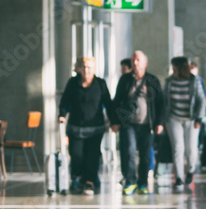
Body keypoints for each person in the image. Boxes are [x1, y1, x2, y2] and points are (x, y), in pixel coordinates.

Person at [58, 57, 115, 195]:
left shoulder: (100, 84)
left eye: (89, 67)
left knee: (92, 155)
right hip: (76, 126)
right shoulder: (73, 83)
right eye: (83, 67)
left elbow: (108, 103)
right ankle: (77, 177)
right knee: (76, 154)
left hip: (95, 127)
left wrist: (114, 121)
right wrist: (62, 114)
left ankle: (89, 181)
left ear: (94, 69)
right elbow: (65, 100)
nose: (86, 70)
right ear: (79, 68)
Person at [113, 50, 165, 195]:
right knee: (128, 151)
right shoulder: (125, 80)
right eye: (132, 60)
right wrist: (115, 121)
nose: (134, 63)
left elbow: (161, 103)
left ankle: (142, 183)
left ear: (145, 63)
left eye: (137, 60)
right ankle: (129, 182)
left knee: (146, 154)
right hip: (128, 124)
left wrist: (160, 122)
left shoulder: (153, 80)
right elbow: (117, 101)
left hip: (147, 124)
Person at [164, 56, 206, 191]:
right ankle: (179, 178)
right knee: (177, 148)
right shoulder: (169, 81)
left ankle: (191, 170)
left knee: (191, 149)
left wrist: (199, 118)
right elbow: (165, 101)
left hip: (191, 119)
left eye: (175, 66)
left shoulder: (194, 81)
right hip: (174, 118)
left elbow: (201, 100)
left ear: (181, 67)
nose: (173, 69)